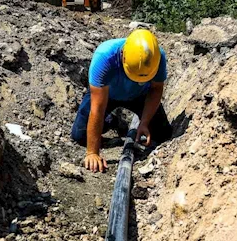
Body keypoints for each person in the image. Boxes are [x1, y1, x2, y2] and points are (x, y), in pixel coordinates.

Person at [71, 29, 172, 172]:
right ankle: (113, 121)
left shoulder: (156, 57)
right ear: (123, 56)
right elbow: (97, 108)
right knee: (80, 135)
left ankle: (131, 124)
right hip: (107, 95)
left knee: (163, 134)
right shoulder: (104, 57)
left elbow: (156, 89)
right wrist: (92, 153)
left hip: (140, 95)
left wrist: (144, 122)